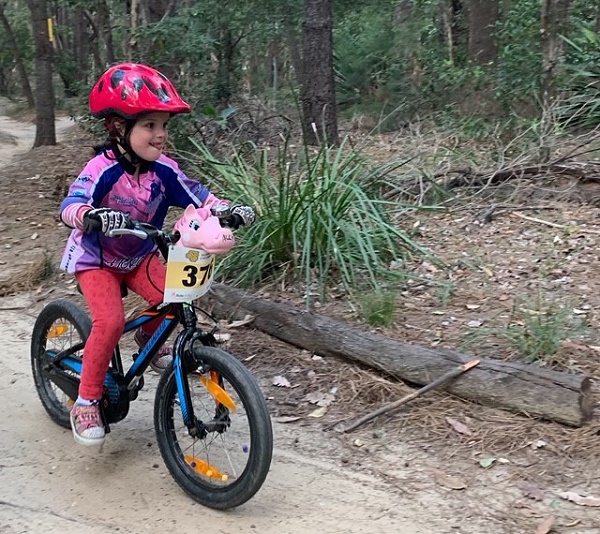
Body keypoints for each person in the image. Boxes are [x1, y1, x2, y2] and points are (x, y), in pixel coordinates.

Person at [59, 63, 255, 447]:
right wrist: (90, 216)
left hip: (139, 254)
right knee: (110, 322)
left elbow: (200, 196)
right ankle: (85, 401)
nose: (161, 135)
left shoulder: (163, 170)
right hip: (97, 258)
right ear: (117, 127)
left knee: (173, 297)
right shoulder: (102, 169)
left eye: (164, 125)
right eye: (149, 126)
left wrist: (228, 209)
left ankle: (151, 338)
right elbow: (71, 204)